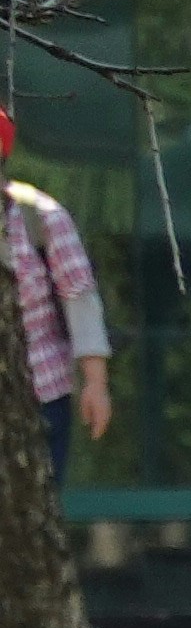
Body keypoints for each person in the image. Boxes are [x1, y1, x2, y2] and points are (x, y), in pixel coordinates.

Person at [1, 111, 111, 481]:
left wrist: (95, 385)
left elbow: (79, 296)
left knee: (33, 513)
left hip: (41, 396)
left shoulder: (41, 215)